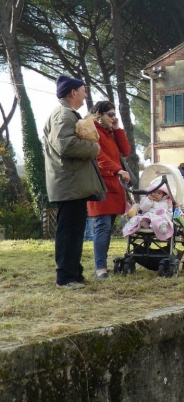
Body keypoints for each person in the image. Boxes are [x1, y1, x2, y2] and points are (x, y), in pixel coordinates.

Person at [43, 75, 106, 289]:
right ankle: (66, 278)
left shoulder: (67, 114)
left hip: (72, 184)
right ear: (73, 93)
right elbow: (66, 146)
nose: (86, 94)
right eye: (83, 90)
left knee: (75, 231)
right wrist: (94, 149)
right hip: (69, 184)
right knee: (69, 232)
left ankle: (74, 273)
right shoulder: (62, 115)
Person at [85, 101, 131, 280]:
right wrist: (118, 169)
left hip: (115, 185)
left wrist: (118, 128)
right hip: (100, 184)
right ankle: (100, 268)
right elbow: (98, 156)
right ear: (98, 113)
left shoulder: (110, 132)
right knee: (102, 227)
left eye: (114, 114)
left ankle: (102, 265)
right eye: (110, 114)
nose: (113, 117)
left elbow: (125, 151)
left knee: (108, 226)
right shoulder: (91, 130)